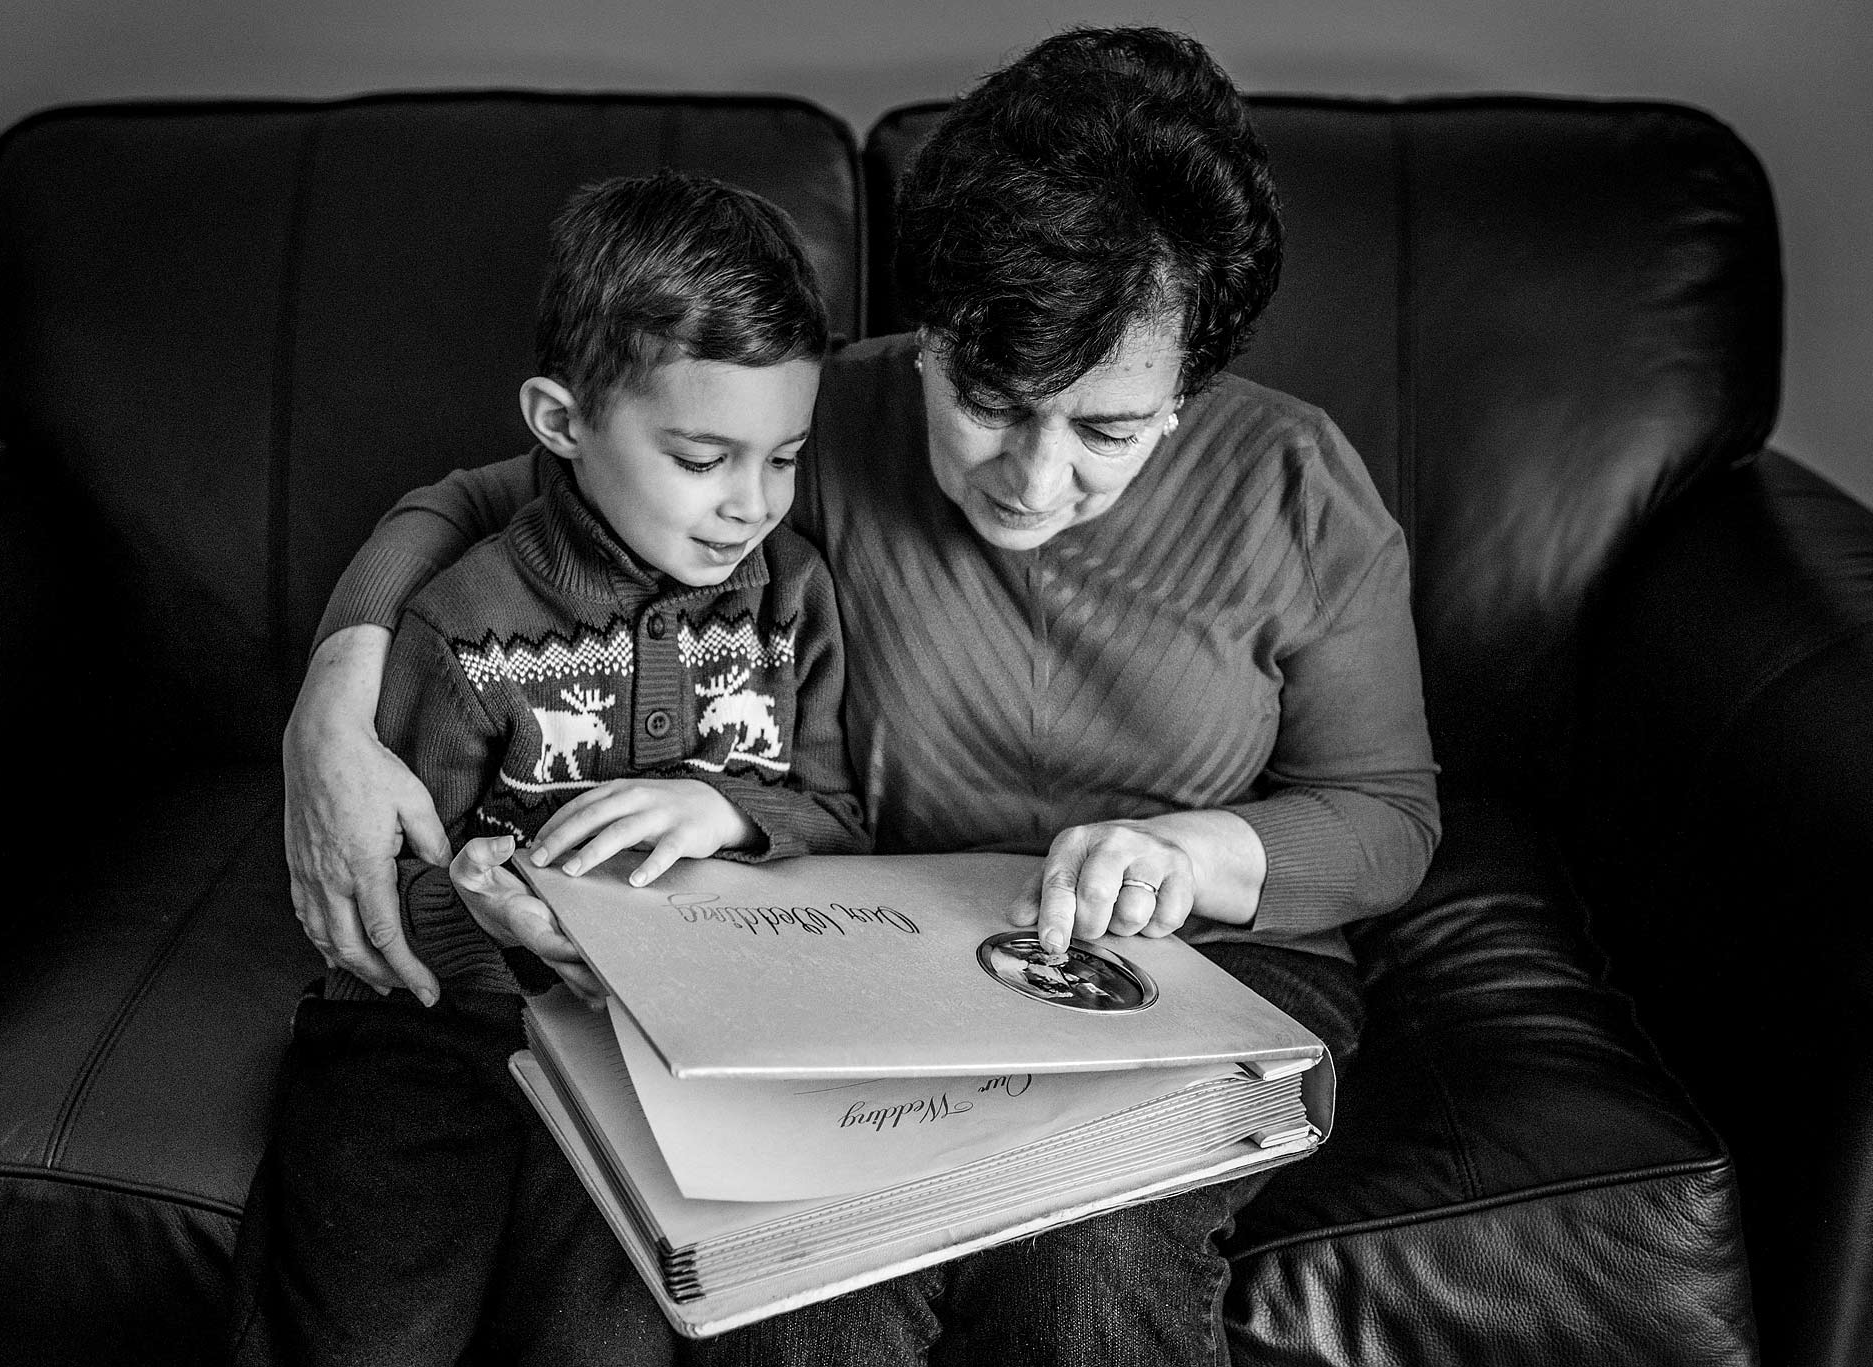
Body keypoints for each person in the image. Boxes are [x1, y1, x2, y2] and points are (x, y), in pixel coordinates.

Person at [264, 25, 1440, 1367]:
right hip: (870, 960)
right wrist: (335, 698)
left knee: (1083, 1255)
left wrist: (1197, 850)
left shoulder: (1296, 483)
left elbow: (1387, 812)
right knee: (806, 1276)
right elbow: (498, 498)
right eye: (991, 401)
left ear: (1187, 394)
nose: (1035, 480)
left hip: (1192, 969)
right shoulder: (814, 433)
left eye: (1109, 429)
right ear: (934, 338)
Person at [230, 169, 870, 1365]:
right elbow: (375, 899)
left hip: (670, 1054)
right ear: (561, 421)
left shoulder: (795, 602)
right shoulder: (461, 623)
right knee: (366, 1327)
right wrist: (485, 911)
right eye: (700, 457)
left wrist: (726, 816)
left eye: (783, 457)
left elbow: (836, 814)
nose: (750, 505)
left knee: (603, 1332)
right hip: (440, 1032)